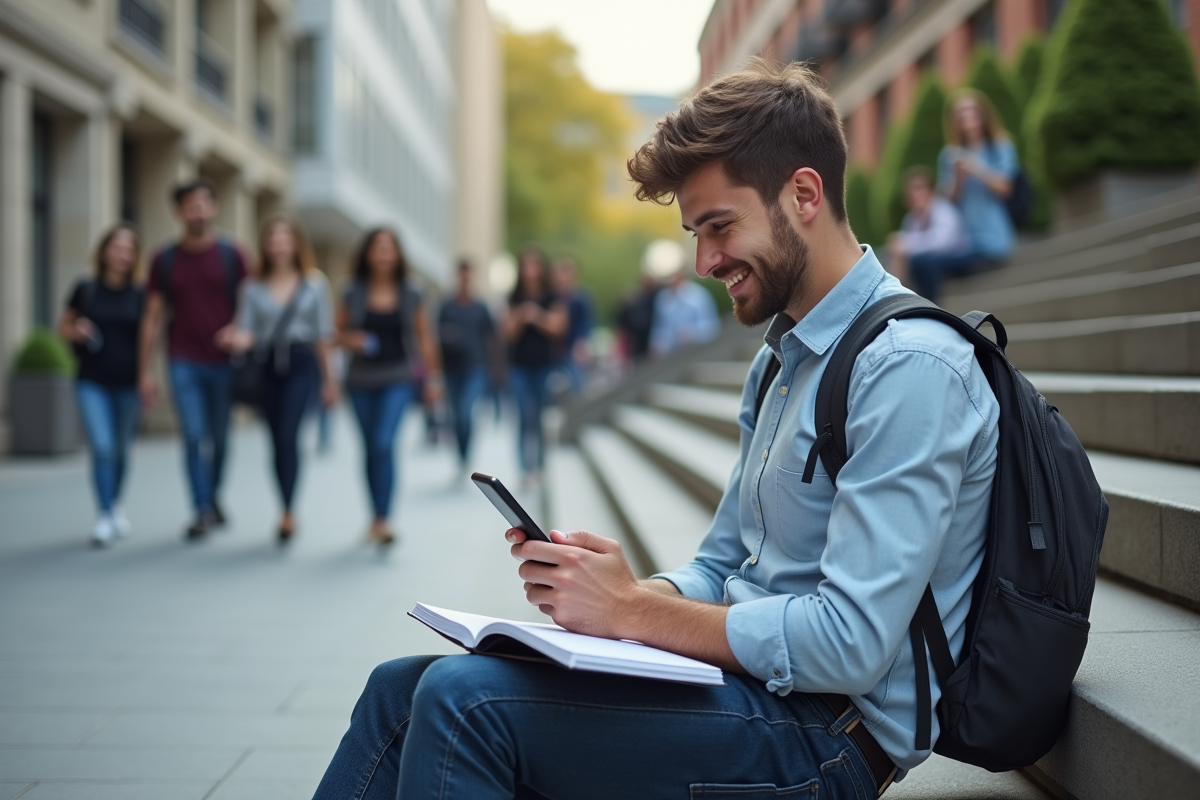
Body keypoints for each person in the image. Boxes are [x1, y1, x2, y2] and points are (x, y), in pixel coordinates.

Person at [313, 59, 1000, 799]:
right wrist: (617, 592)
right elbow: (722, 564)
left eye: (719, 226)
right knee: (397, 692)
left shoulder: (911, 369)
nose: (703, 260)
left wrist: (636, 612)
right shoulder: (780, 362)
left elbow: (851, 643)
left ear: (804, 194)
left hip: (828, 739)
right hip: (749, 693)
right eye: (693, 233)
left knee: (463, 702)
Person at [139, 178, 250, 541]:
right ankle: (201, 508)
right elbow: (152, 316)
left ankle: (213, 495)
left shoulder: (232, 255)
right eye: (190, 204)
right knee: (192, 435)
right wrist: (144, 371)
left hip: (223, 361)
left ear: (214, 207)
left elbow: (249, 306)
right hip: (182, 358)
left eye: (203, 203)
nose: (197, 210)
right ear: (178, 212)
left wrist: (237, 329)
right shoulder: (164, 259)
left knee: (219, 439)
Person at [215, 214, 337, 544]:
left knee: (289, 435)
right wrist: (236, 338)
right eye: (273, 239)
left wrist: (330, 381)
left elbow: (323, 335)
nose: (279, 245)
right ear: (265, 245)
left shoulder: (314, 283)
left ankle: (288, 512)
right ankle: (284, 504)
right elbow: (247, 328)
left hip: (301, 364)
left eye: (285, 238)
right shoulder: (252, 287)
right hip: (267, 365)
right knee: (275, 441)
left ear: (296, 243)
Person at [336, 227, 442, 546]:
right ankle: (375, 516)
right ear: (367, 253)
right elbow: (335, 334)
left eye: (389, 247)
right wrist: (350, 340)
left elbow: (425, 338)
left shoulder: (412, 292)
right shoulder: (352, 291)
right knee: (370, 448)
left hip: (398, 376)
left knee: (384, 443)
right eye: (377, 247)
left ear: (397, 254)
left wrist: (433, 379)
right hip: (360, 380)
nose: (383, 253)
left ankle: (384, 519)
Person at [58, 223, 145, 547]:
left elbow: (149, 339)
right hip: (92, 381)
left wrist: (147, 378)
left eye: (128, 249)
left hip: (128, 383)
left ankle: (115, 502)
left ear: (135, 256)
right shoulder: (86, 288)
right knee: (103, 447)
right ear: (104, 251)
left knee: (121, 452)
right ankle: (105, 514)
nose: (121, 254)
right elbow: (62, 327)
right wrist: (76, 330)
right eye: (116, 247)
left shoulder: (141, 293)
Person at [910, 89, 1018, 301]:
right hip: (962, 242)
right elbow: (948, 202)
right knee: (918, 261)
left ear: (982, 115)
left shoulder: (1000, 146)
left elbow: (1006, 188)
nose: (967, 120)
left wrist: (977, 168)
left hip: (992, 241)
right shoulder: (949, 156)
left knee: (931, 264)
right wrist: (958, 179)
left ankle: (933, 316)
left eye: (972, 113)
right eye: (962, 116)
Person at [502, 246, 567, 488]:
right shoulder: (514, 297)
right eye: (525, 266)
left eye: (534, 265)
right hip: (519, 365)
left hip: (543, 365)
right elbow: (506, 332)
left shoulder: (551, 296)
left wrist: (536, 316)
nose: (530, 271)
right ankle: (523, 469)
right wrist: (520, 317)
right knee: (521, 416)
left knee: (539, 417)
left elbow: (559, 326)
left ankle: (539, 466)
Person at [437, 259, 496, 473]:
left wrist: (496, 371)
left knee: (465, 412)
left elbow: (492, 338)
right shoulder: (446, 305)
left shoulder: (481, 307)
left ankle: (466, 455)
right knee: (454, 415)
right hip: (451, 369)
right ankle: (461, 455)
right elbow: (435, 336)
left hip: (475, 367)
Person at [886, 166, 971, 286]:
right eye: (911, 191)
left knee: (924, 262)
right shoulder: (911, 218)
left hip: (957, 257)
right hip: (932, 261)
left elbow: (942, 243)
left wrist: (906, 243)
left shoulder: (944, 210)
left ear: (931, 191)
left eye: (919, 189)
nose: (915, 195)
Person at [648, 265, 720, 356]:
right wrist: (657, 344)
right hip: (673, 357)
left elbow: (713, 327)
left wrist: (693, 333)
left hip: (700, 353)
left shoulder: (699, 295)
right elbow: (659, 330)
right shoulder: (662, 299)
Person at [550, 257, 594, 395]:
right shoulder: (550, 296)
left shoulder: (581, 298)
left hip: (571, 349)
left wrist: (581, 344)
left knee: (577, 385)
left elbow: (586, 324)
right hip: (550, 350)